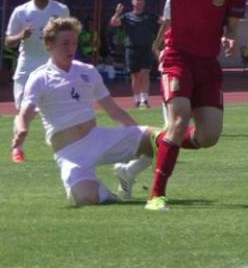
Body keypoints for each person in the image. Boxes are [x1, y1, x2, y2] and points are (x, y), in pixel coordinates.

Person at [93, 0, 246, 211]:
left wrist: (230, 37)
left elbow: (233, 26)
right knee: (179, 121)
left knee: (209, 136)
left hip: (207, 65)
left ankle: (156, 139)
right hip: (177, 58)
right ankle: (156, 195)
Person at [11, 17, 156, 206]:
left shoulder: (88, 71)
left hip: (98, 138)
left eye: (74, 43)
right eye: (65, 43)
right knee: (86, 199)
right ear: (49, 45)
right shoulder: (39, 78)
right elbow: (25, 113)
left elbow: (113, 110)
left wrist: (137, 133)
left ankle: (128, 173)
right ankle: (104, 193)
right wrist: (22, 130)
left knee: (161, 139)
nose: (71, 48)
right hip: (70, 152)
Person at [5, 0, 70, 163]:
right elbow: (8, 41)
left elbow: (68, 36)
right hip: (27, 65)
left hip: (51, 66)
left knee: (56, 109)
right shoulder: (21, 12)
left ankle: (64, 147)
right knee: (24, 110)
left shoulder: (61, 9)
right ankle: (17, 148)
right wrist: (21, 36)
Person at [109, 0, 158, 109]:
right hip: (131, 48)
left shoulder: (150, 16)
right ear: (132, 2)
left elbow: (164, 21)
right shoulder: (126, 16)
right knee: (135, 75)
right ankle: (137, 100)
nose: (138, 2)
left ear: (144, 3)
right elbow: (113, 23)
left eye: (141, 0)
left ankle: (145, 100)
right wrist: (117, 12)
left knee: (145, 73)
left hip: (146, 48)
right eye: (136, 0)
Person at [152, 0, 172, 126]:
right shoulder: (171, 1)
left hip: (188, 48)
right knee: (167, 85)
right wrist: (157, 44)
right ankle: (168, 122)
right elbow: (166, 23)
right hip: (172, 47)